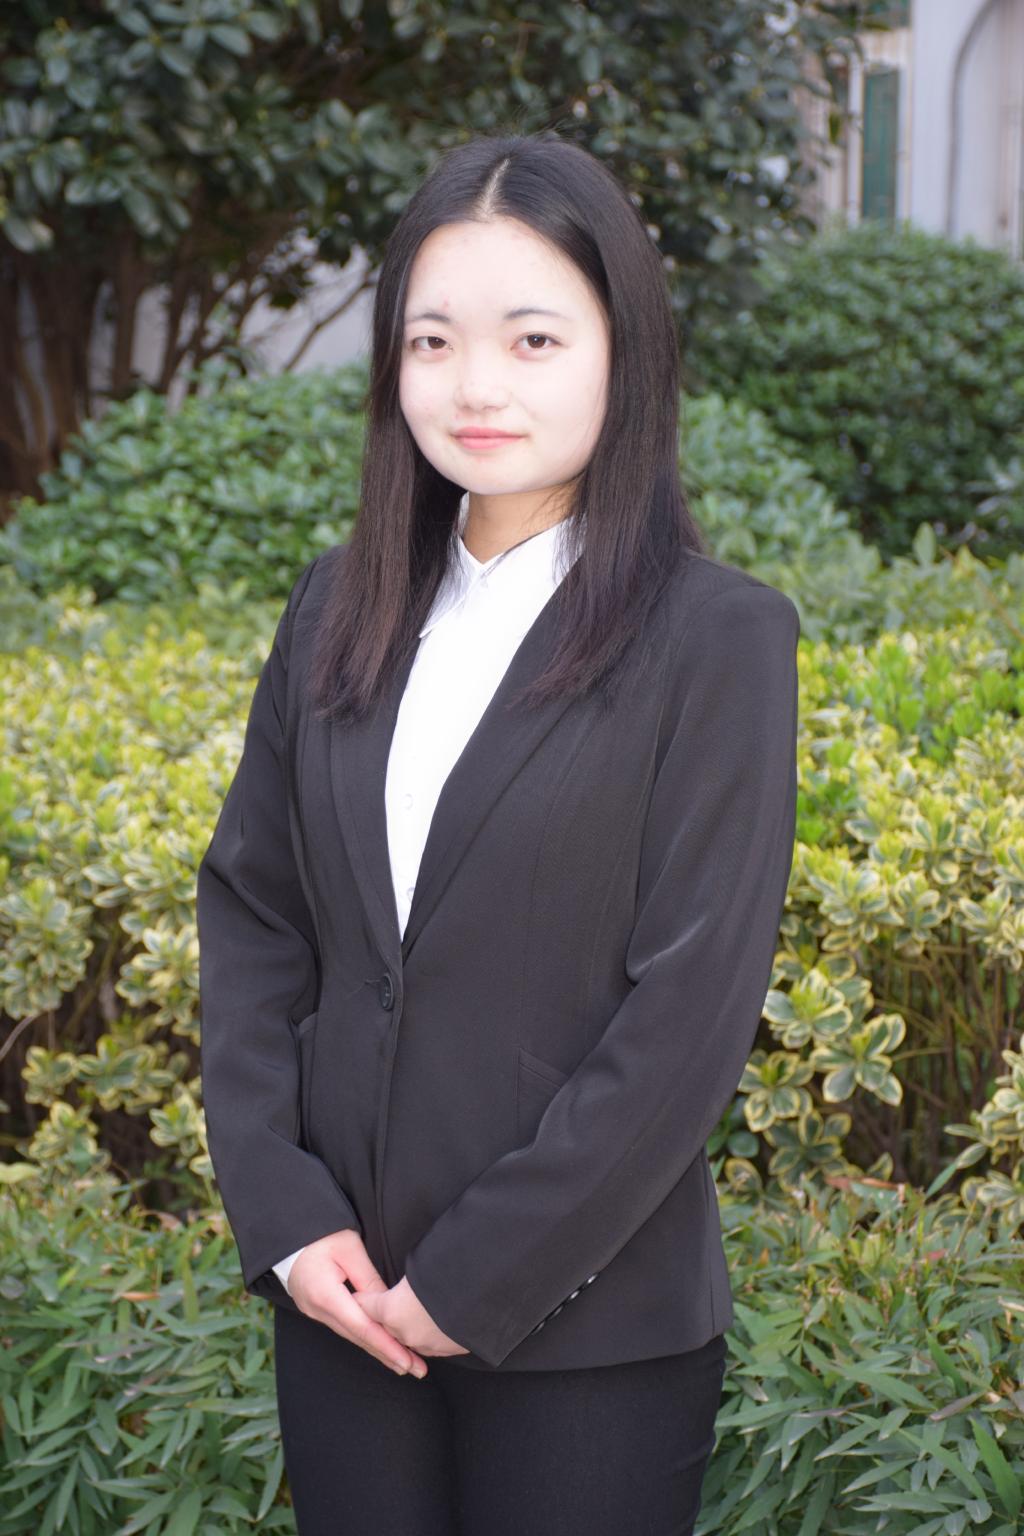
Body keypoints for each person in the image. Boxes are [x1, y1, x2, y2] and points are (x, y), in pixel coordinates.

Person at [196, 128, 800, 1536]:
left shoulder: (717, 640)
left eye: (534, 338)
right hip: (344, 1305)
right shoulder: (336, 604)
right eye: (433, 340)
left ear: (624, 352)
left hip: (591, 1338)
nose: (476, 386)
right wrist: (285, 1215)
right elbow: (257, 913)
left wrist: (476, 1276)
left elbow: (688, 1015)